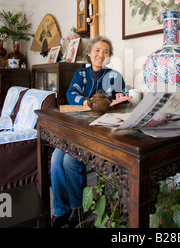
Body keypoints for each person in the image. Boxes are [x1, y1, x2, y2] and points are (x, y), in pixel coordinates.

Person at [50, 36, 128, 228]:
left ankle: (77, 210)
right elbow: (71, 94)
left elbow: (123, 96)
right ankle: (61, 210)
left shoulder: (114, 76)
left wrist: (120, 97)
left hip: (99, 130)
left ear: (109, 56)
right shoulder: (80, 74)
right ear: (89, 53)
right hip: (77, 128)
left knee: (70, 160)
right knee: (55, 161)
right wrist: (86, 102)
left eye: (106, 52)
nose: (101, 55)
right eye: (97, 51)